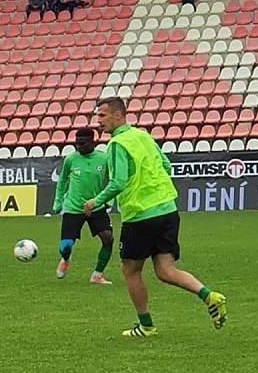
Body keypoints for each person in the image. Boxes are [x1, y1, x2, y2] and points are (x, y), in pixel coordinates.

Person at [83, 97, 227, 337]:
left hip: (141, 214)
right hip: (167, 210)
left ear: (118, 115)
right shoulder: (143, 136)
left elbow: (118, 181)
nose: (98, 121)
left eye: (102, 116)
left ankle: (146, 326)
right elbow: (166, 166)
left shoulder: (118, 144)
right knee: (165, 269)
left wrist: (96, 200)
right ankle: (210, 295)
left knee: (130, 270)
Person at [53, 128, 114, 285]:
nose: (79, 147)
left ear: (93, 141)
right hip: (73, 208)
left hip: (96, 207)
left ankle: (97, 275)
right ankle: (66, 259)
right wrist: (58, 201)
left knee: (108, 239)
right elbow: (62, 181)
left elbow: (114, 180)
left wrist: (109, 200)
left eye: (83, 144)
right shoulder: (71, 159)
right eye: (77, 144)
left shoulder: (104, 158)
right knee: (65, 246)